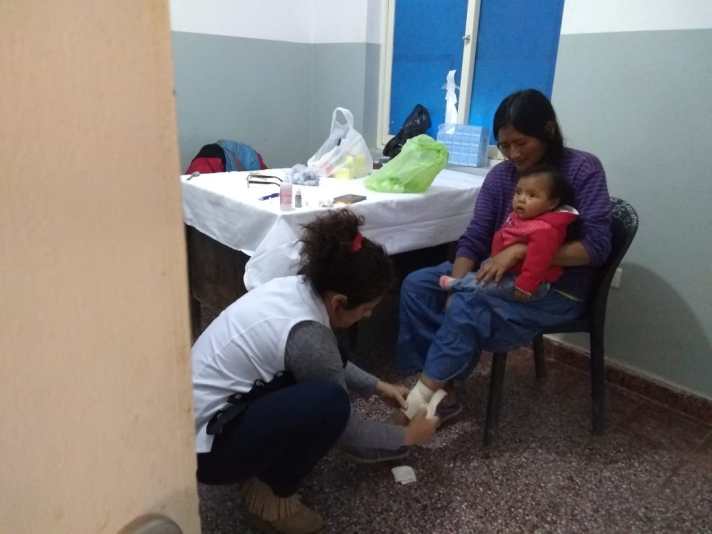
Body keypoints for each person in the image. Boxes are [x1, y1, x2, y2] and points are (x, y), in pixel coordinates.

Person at [192, 209, 438, 534]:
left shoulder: (297, 289)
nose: (368, 316)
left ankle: (259, 462)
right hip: (207, 452)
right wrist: (407, 437)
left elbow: (324, 359)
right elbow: (347, 431)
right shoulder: (308, 335)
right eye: (366, 309)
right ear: (338, 302)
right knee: (329, 406)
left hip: (200, 420)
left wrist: (379, 386)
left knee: (324, 365)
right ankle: (272, 500)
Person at [397, 89, 612, 419]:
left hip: (554, 288)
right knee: (418, 285)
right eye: (504, 145)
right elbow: (475, 237)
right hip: (498, 273)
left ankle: (430, 390)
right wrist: (456, 284)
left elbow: (596, 247)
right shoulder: (501, 177)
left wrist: (521, 252)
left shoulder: (583, 169)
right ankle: (440, 381)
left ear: (548, 130)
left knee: (467, 305)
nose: (513, 153)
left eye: (521, 143)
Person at [438, 164, 578, 301]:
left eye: (532, 195)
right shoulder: (522, 217)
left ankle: (457, 284)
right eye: (518, 192)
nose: (521, 199)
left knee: (485, 286)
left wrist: (525, 286)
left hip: (529, 283)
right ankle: (464, 284)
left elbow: (539, 262)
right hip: (507, 270)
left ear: (552, 203)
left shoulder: (545, 229)